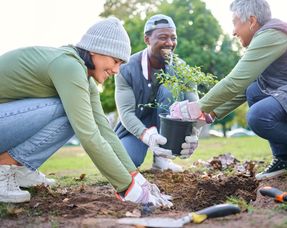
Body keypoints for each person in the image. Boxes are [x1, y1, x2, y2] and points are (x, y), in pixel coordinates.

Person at [0, 16, 172, 207]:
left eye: (121, 64)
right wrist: (128, 188)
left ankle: (21, 170)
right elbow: (89, 135)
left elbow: (104, 129)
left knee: (77, 112)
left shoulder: (82, 75)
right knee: (70, 111)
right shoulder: (69, 67)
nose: (116, 70)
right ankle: (4, 167)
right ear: (95, 51)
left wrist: (137, 178)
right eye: (115, 61)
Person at [169, 0, 287, 180]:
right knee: (255, 90)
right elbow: (244, 87)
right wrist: (206, 116)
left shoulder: (272, 34)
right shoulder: (267, 42)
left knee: (259, 116)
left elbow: (235, 82)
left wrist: (197, 107)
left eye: (235, 23)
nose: (234, 31)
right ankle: (284, 157)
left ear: (251, 21)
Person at [114, 14, 199, 172]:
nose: (169, 43)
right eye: (163, 37)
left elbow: (195, 107)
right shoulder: (126, 68)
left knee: (169, 88)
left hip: (169, 123)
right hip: (137, 124)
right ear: (147, 40)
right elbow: (126, 113)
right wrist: (147, 135)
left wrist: (194, 133)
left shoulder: (183, 69)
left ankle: (162, 160)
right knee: (125, 162)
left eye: (173, 38)